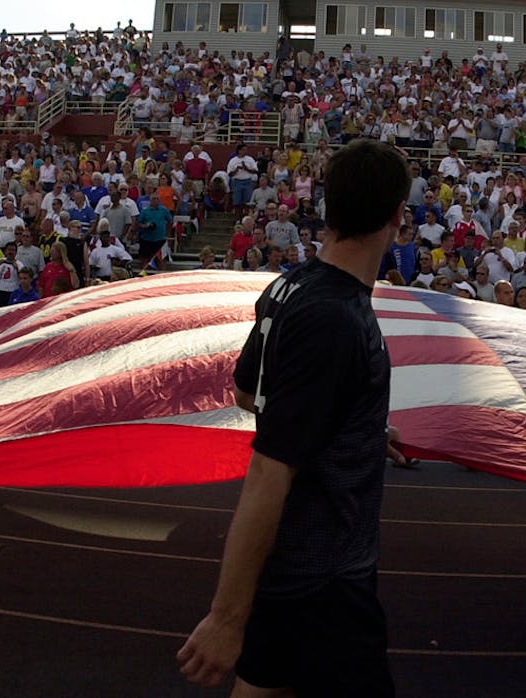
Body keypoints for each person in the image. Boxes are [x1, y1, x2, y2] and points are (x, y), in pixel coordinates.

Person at [177, 139, 407, 697]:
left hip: (296, 572)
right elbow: (268, 469)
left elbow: (245, 392)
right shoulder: (337, 318)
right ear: (396, 218)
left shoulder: (289, 284)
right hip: (324, 574)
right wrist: (226, 617)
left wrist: (350, 428)